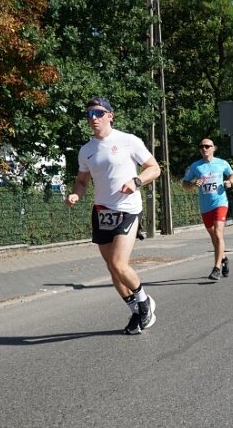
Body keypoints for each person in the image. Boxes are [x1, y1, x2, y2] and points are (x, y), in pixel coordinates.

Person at [66, 96, 161, 335]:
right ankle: (136, 311)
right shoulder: (86, 150)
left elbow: (154, 168)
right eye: (89, 114)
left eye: (98, 113)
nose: (93, 118)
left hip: (127, 209)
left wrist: (136, 181)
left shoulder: (128, 141)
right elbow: (81, 181)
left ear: (110, 115)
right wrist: (76, 194)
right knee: (112, 267)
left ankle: (144, 302)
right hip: (101, 211)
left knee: (119, 263)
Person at [182, 138, 233, 280]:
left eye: (207, 146)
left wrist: (229, 181)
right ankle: (224, 258)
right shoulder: (196, 166)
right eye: (201, 146)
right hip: (205, 206)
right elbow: (184, 184)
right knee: (213, 236)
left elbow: (232, 173)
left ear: (214, 148)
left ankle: (216, 268)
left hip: (220, 202)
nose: (204, 149)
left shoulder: (222, 163)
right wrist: (194, 184)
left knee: (218, 233)